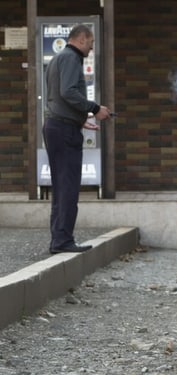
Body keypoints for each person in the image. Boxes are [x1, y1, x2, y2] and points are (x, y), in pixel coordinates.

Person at [43, 24, 112, 254]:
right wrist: (94, 108)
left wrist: (78, 119)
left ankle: (59, 239)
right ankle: (63, 241)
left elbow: (55, 97)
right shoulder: (72, 58)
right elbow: (69, 92)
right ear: (81, 39)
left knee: (61, 185)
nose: (91, 48)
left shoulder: (56, 59)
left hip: (57, 125)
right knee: (69, 186)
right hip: (64, 131)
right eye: (91, 43)